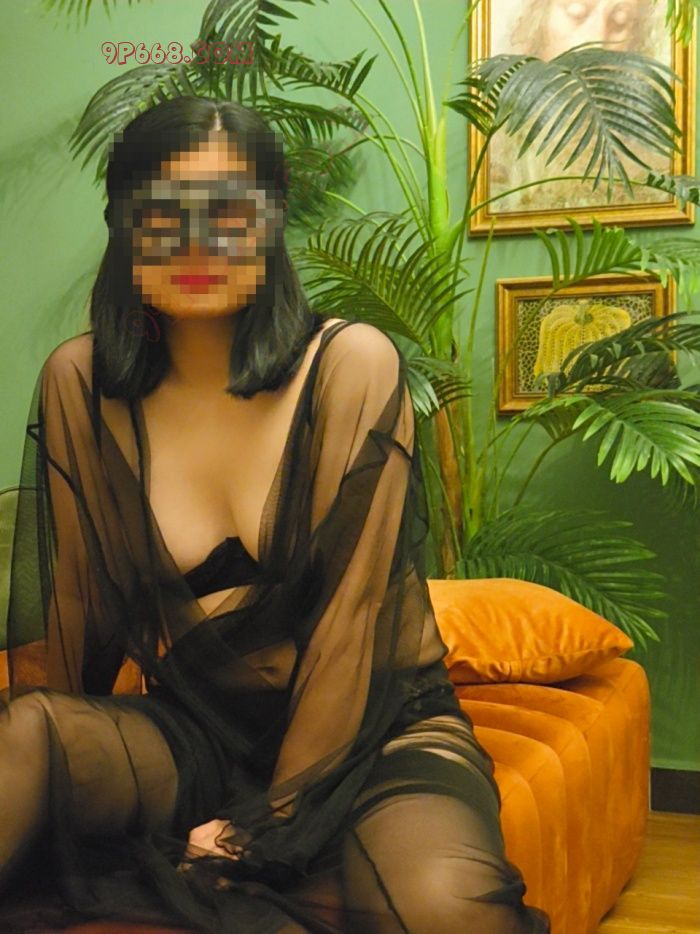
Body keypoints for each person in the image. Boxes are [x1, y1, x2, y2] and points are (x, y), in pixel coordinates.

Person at [0, 96, 551, 933]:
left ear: (273, 223)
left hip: (375, 736)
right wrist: (69, 797)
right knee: (28, 732)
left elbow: (348, 626)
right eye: (162, 212)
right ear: (121, 225)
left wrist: (268, 828)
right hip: (197, 734)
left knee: (439, 907)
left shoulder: (349, 366)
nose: (196, 242)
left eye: (230, 211)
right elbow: (78, 604)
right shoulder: (80, 383)